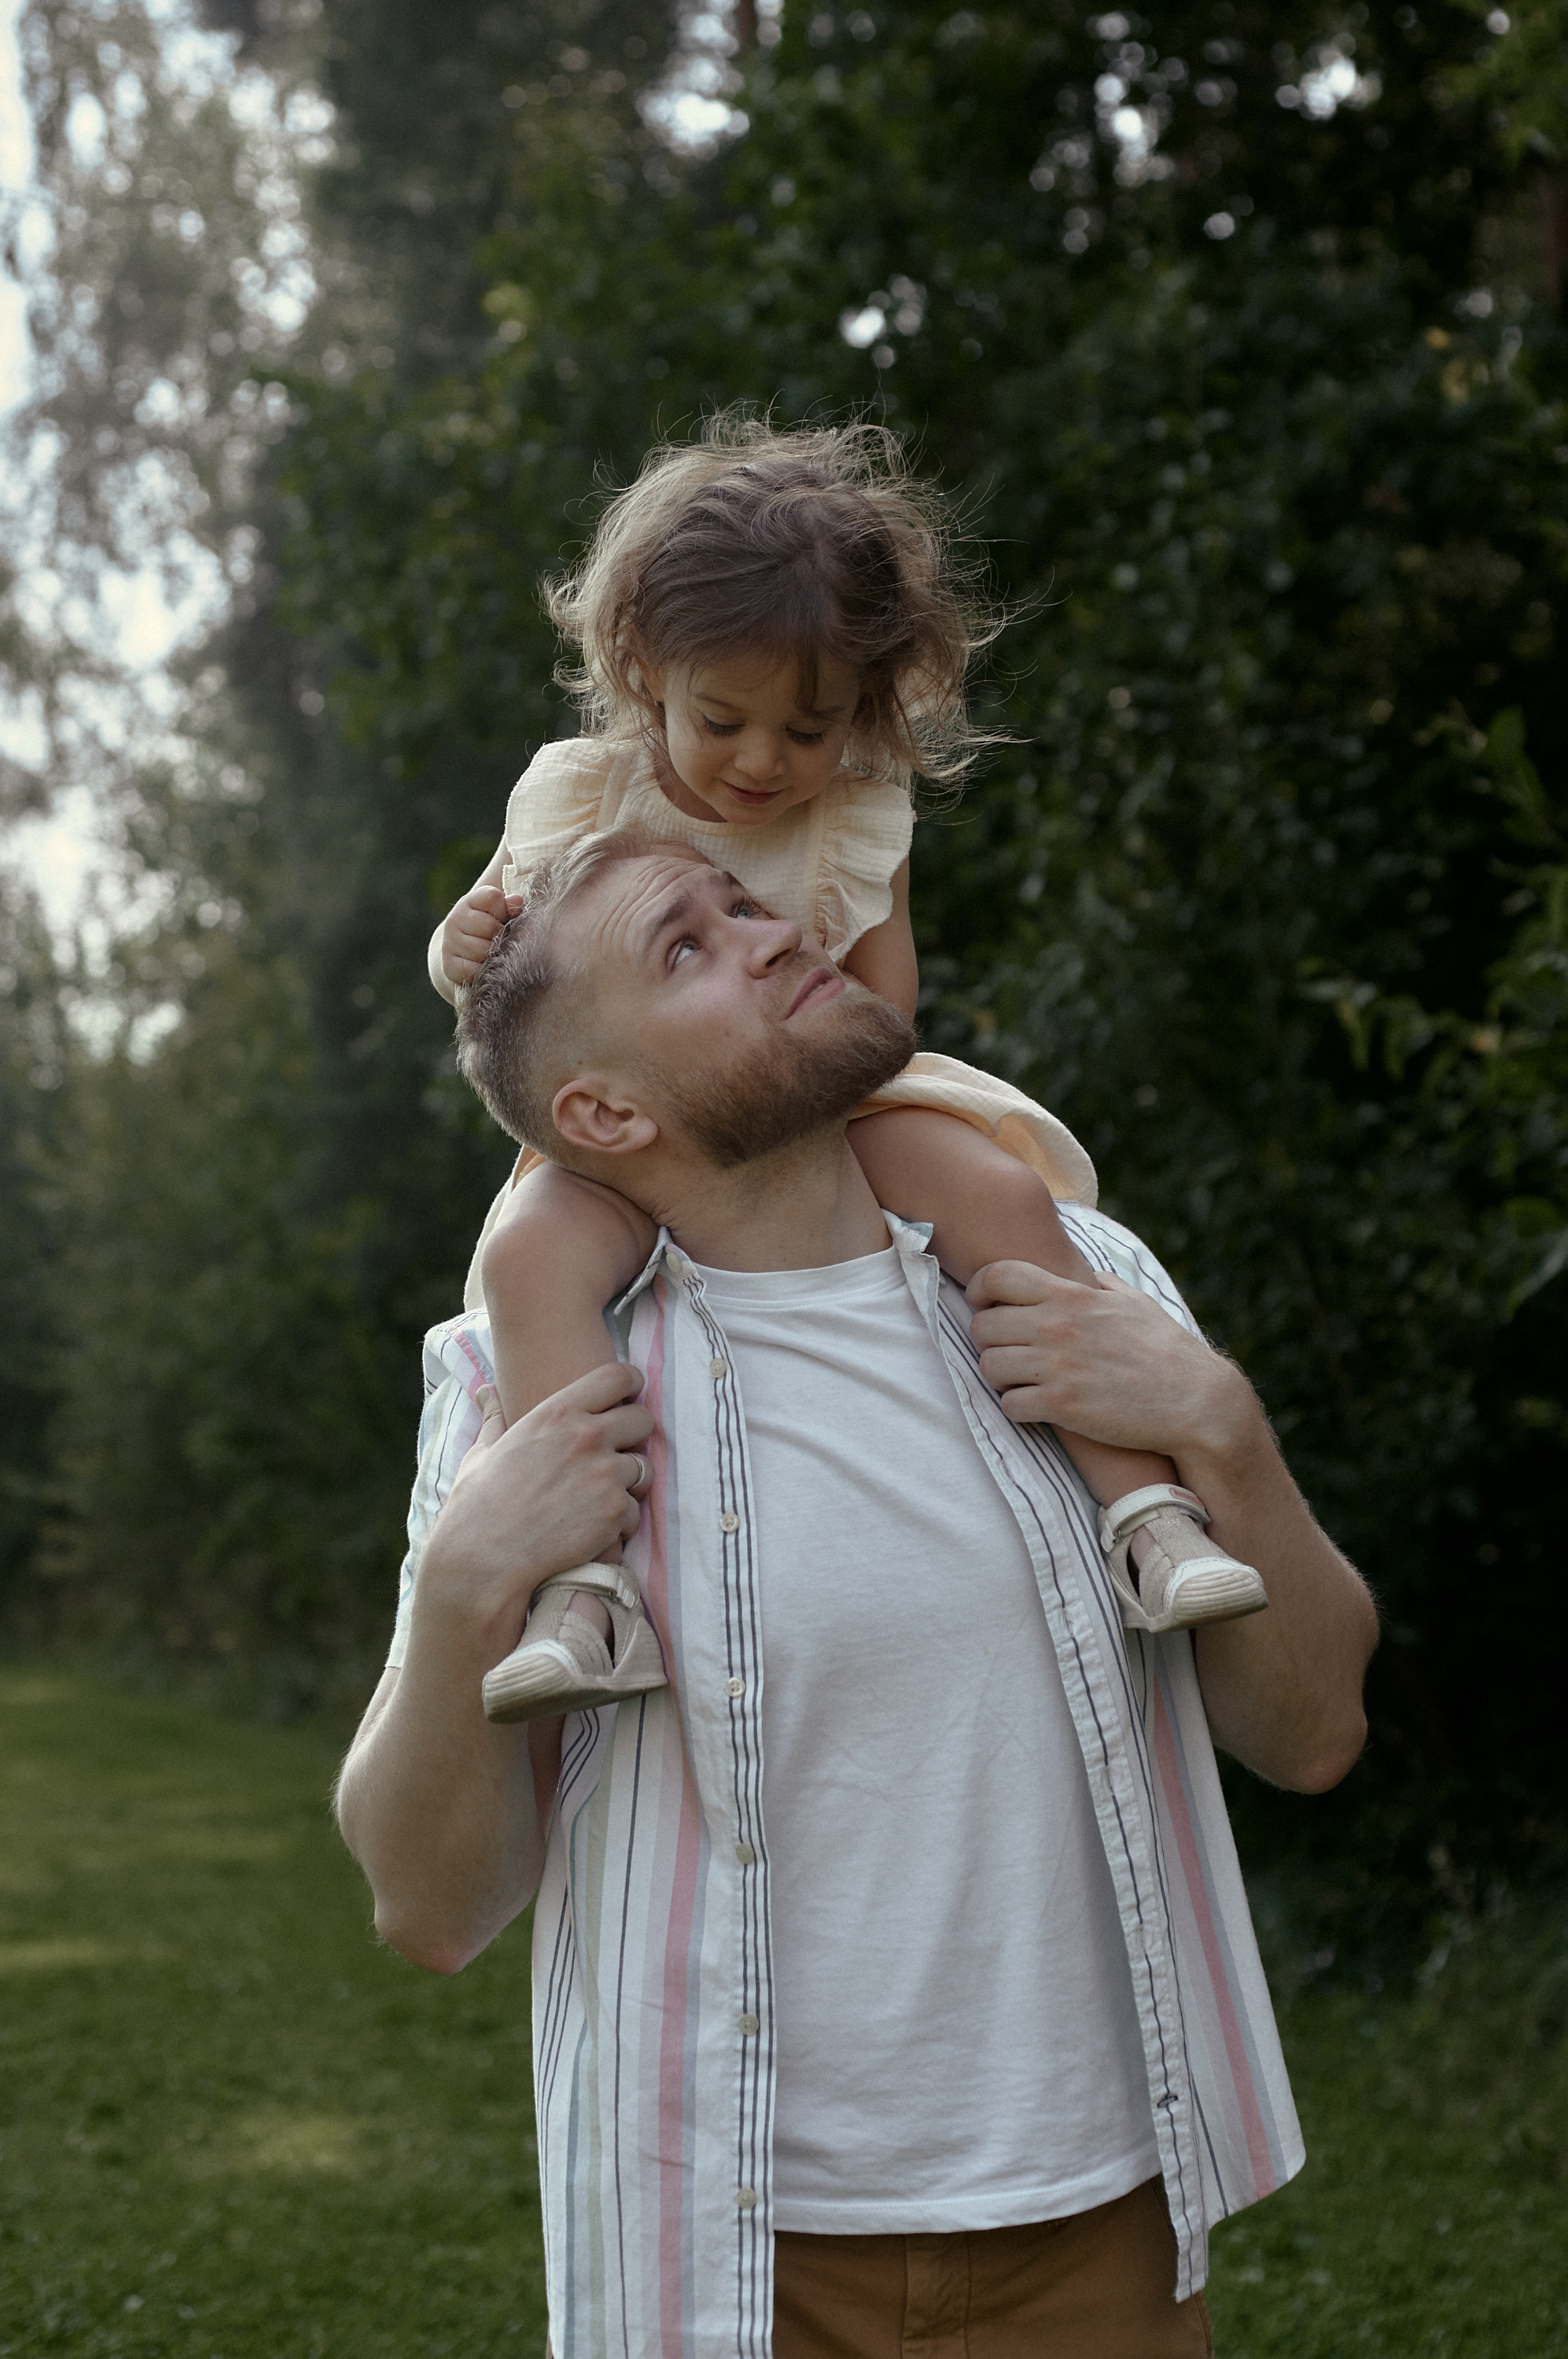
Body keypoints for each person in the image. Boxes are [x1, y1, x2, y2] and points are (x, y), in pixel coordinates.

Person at [337, 830, 1378, 2359]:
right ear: (604, 1111)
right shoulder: (528, 1386)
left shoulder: (1072, 1277)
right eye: (685, 947)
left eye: (743, 903)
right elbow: (429, 1910)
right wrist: (457, 1598)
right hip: (728, 2268)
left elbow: (1315, 1731)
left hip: (1101, 2229)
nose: (768, 932)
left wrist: (1224, 1428)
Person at [426, 414, 1266, 1724]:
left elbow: (885, 1006)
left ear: (864, 712)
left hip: (833, 1100)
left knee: (998, 1196)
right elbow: (496, 980)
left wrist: (790, 1009)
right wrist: (459, 944)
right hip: (635, 1124)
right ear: (646, 667)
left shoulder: (856, 817)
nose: (766, 762)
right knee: (530, 1255)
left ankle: (1146, 1513)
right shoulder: (577, 797)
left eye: (809, 729)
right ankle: (584, 1591)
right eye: (724, 720)